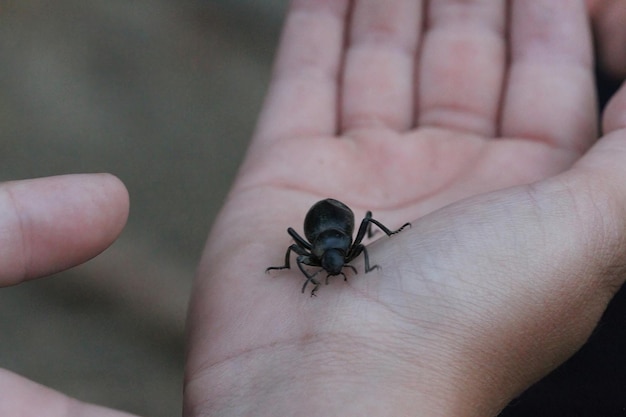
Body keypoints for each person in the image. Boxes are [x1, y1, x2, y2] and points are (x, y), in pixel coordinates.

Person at [1, 1, 625, 416]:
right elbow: (308, 249)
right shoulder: (322, 253)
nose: (331, 269)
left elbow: (359, 234)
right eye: (326, 265)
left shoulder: (346, 247)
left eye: (331, 263)